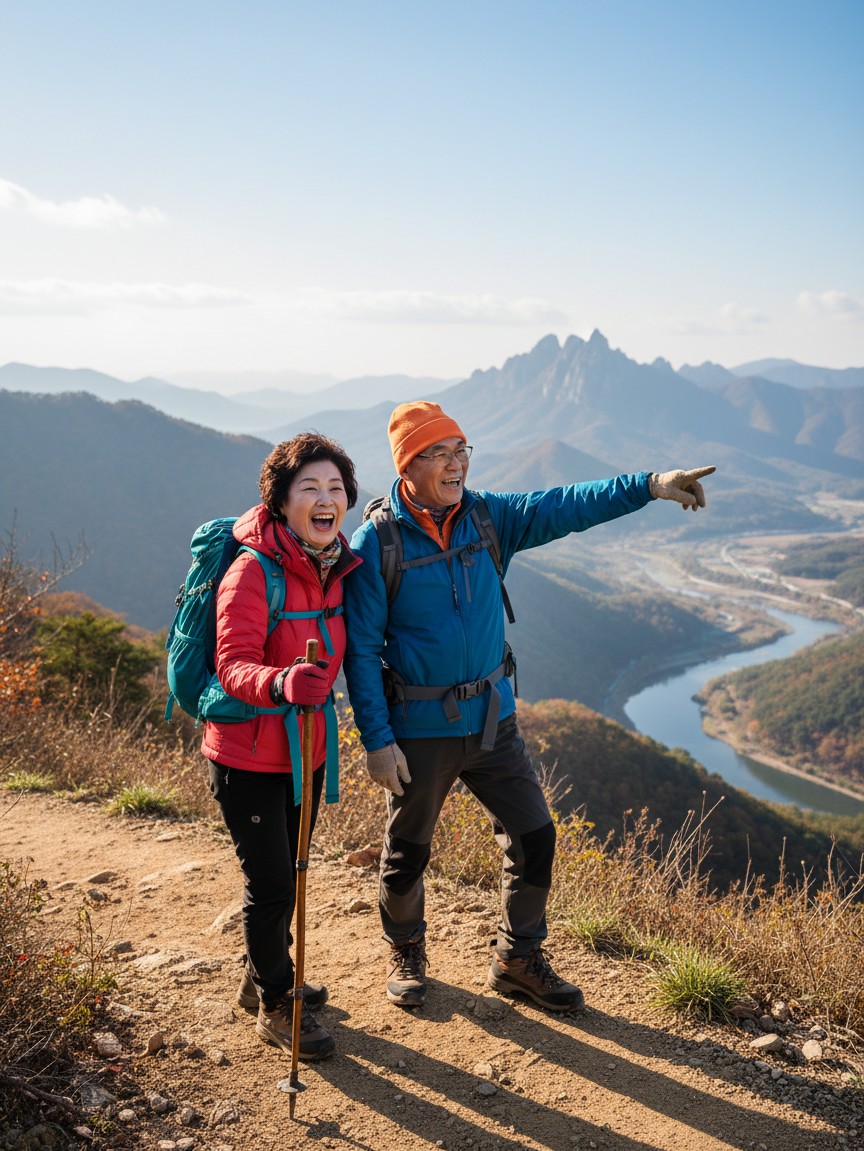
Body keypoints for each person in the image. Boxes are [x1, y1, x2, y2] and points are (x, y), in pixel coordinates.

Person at [343, 400, 714, 1011]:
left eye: (461, 450)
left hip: (493, 719)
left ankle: (517, 959)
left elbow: (566, 504)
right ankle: (405, 949)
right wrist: (377, 742)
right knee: (407, 851)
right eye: (439, 454)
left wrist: (650, 485)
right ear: (407, 465)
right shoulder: (376, 542)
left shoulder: (488, 518)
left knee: (534, 835)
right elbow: (360, 652)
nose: (456, 464)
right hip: (420, 726)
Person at [204, 432, 361, 1060]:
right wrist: (280, 682)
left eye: (336, 488)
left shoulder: (337, 567)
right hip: (246, 758)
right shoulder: (252, 572)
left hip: (307, 754)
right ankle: (276, 1004)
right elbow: (230, 664)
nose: (326, 499)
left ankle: (261, 977)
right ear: (280, 500)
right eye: (309, 487)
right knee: (270, 883)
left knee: (291, 874)